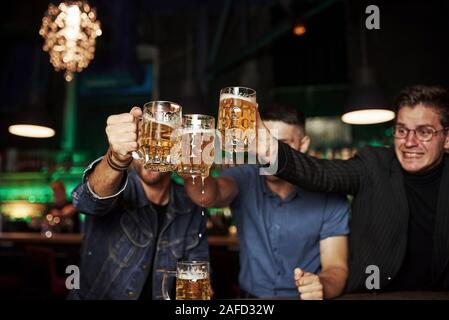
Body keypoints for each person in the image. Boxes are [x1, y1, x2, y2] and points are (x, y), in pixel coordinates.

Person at [257, 85, 449, 292]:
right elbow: (319, 173)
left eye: (424, 132)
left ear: (446, 138)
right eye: (402, 130)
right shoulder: (373, 165)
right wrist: (269, 148)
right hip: (372, 295)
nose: (409, 142)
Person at [183, 104, 350, 300]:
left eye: (281, 144)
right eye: (262, 143)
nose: (267, 154)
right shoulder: (244, 177)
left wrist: (321, 286)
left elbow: (336, 267)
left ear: (303, 144)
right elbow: (207, 195)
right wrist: (191, 170)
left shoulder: (328, 193)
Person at [67, 107, 209, 300]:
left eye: (162, 143)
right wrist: (115, 159)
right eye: (147, 143)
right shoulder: (117, 186)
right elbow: (86, 202)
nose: (152, 151)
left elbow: (198, 267)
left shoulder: (191, 203)